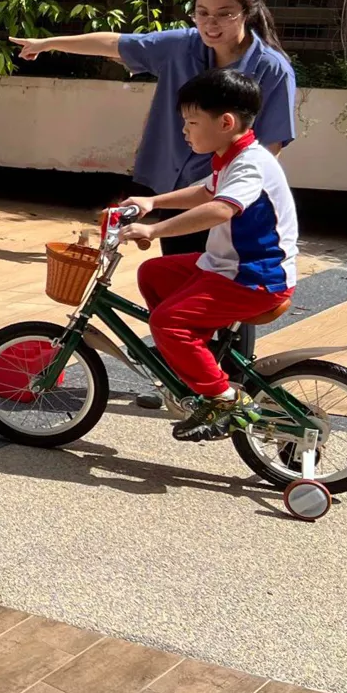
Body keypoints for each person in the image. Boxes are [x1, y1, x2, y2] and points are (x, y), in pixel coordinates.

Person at [9, 0, 297, 399]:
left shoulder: (272, 70)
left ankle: (225, 394)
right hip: (173, 183)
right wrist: (48, 44)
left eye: (224, 14)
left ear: (247, 13)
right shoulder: (182, 46)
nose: (210, 24)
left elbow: (266, 150)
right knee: (171, 281)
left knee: (223, 293)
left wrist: (235, 192)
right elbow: (116, 43)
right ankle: (182, 376)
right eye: (202, 13)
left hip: (232, 206)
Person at [118, 69, 298, 442]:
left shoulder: (250, 163)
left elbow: (220, 208)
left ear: (226, 122)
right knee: (154, 274)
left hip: (254, 277)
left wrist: (154, 230)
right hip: (225, 266)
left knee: (167, 323)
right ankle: (192, 358)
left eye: (192, 122)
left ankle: (225, 400)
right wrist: (152, 202)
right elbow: (205, 192)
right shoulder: (232, 156)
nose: (185, 130)